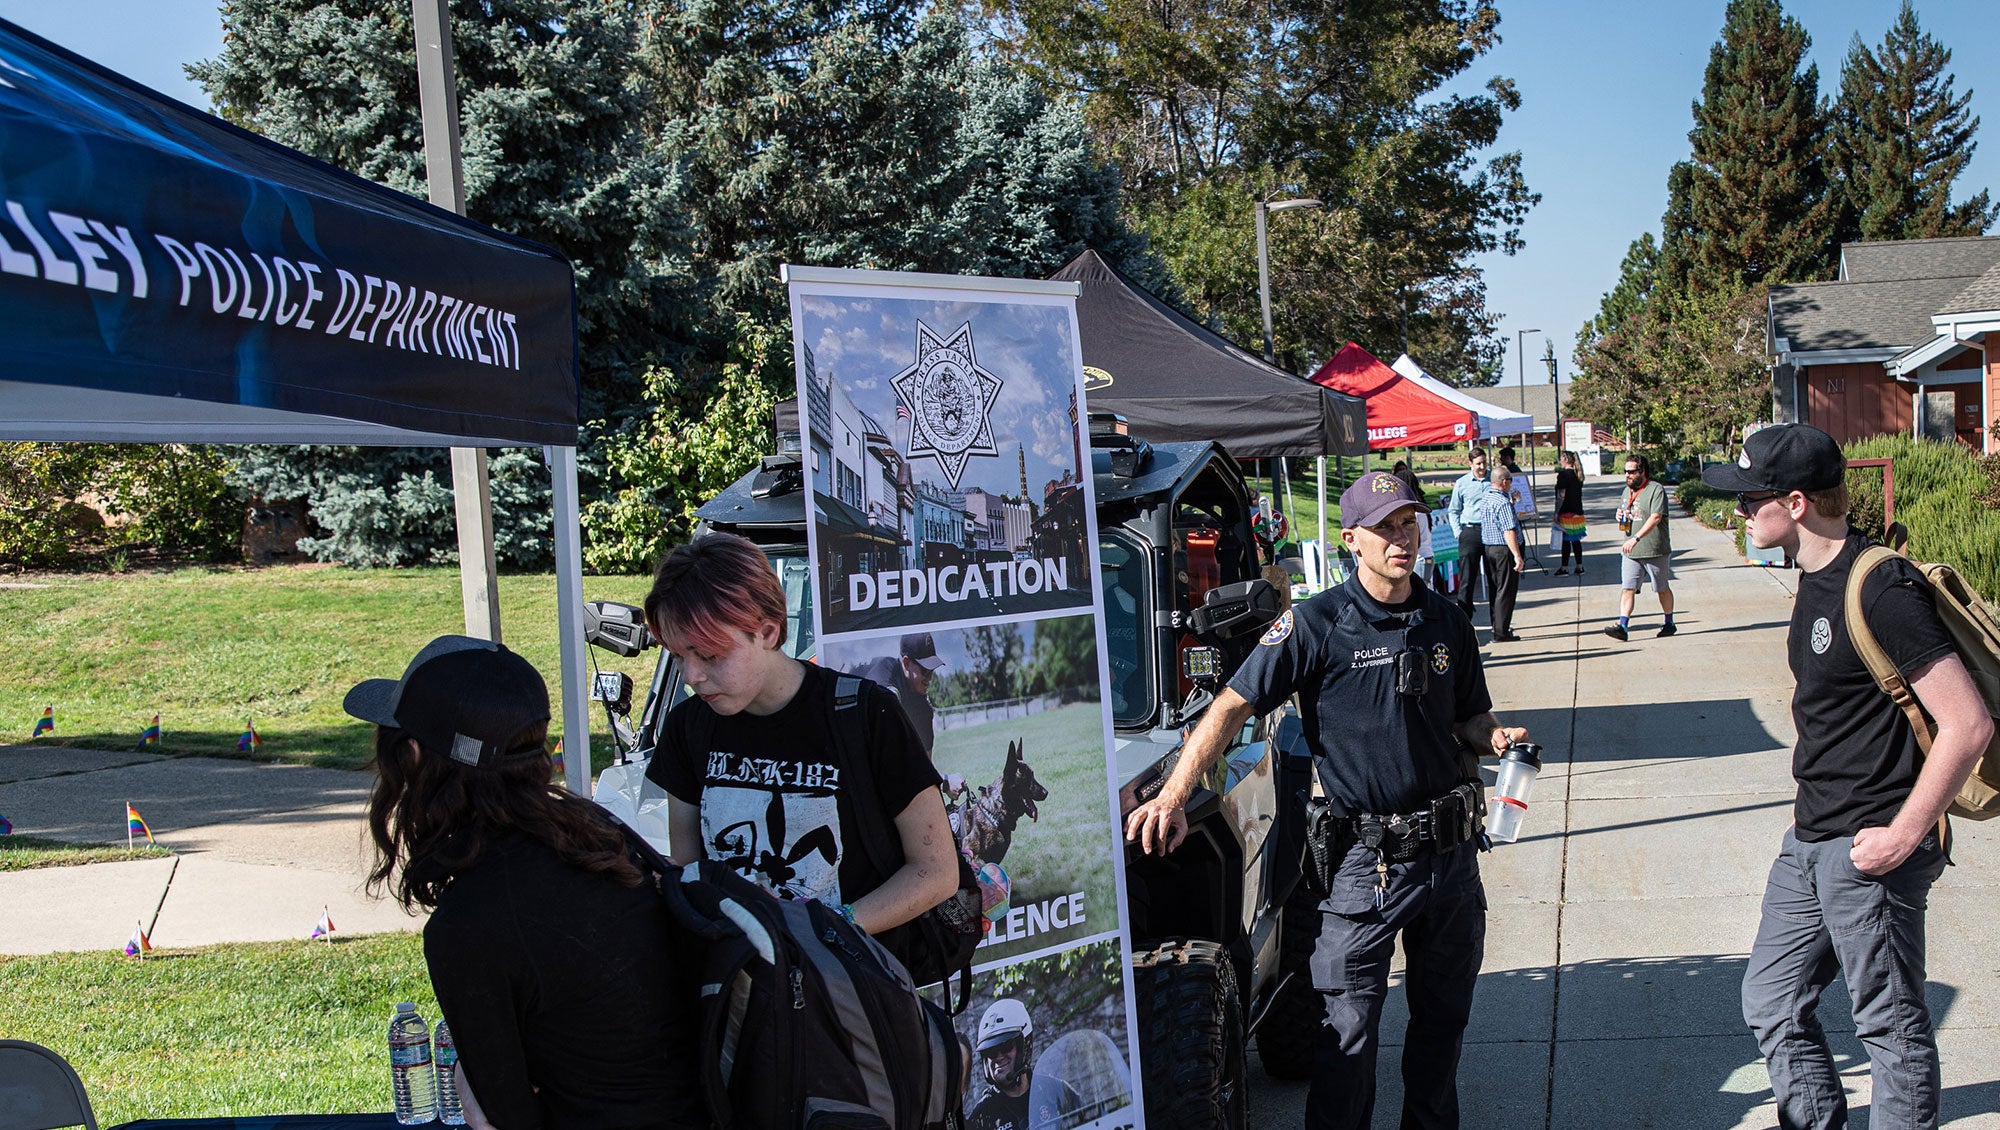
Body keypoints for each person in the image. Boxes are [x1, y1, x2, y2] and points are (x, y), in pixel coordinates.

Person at [1125, 470, 1527, 1130]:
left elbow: (1469, 720)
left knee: (1441, 1033)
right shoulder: (1315, 625)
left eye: (1408, 523)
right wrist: (1173, 793)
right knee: (1345, 1042)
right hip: (1364, 869)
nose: (1402, 538)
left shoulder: (1447, 620)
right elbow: (1229, 706)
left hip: (1449, 864)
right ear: (1351, 540)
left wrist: (1498, 734)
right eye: (1385, 527)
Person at [1703, 424, 1992, 1130]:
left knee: (1889, 1029)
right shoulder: (1811, 581)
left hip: (1872, 847)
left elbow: (1969, 723)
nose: (1739, 514)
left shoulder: (1880, 585)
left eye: (1750, 500)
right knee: (1771, 1000)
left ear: (1796, 503)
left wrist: (1902, 835)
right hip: (1810, 841)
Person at [349, 635, 706, 1130]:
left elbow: (498, 1115)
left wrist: (465, 1083)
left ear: (411, 755)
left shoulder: (472, 922)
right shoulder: (597, 836)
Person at [643, 532, 958, 936]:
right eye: (677, 655)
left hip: (848, 990)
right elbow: (688, 874)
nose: (692, 676)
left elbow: (936, 872)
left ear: (769, 632)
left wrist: (824, 932)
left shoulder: (866, 713)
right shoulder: (688, 726)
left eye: (710, 655)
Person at [967, 998, 1080, 1130]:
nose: (999, 1057)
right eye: (991, 1052)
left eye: (1005, 1046)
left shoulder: (1056, 1093)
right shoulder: (982, 1116)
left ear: (1024, 1047)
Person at [1605, 454, 1675, 641]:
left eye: (1631, 472)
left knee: (1661, 588)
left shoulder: (1655, 490)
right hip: (1631, 552)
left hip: (1654, 549)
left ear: (1642, 471)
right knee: (1627, 588)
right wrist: (1619, 515)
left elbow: (1656, 517)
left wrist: (1636, 537)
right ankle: (1622, 626)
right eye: (1625, 472)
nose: (1627, 475)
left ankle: (1669, 622)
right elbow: (1626, 512)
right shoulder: (1625, 492)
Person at [854, 632, 947, 755]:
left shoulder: (921, 704)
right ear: (906, 663)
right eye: (925, 670)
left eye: (932, 670)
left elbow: (927, 766)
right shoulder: (883, 676)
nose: (929, 678)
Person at [1476, 466, 1526, 643]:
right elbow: (1508, 531)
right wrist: (1517, 556)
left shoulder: (1487, 498)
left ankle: (1498, 626)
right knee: (1506, 590)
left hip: (1489, 548)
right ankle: (1501, 631)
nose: (1511, 484)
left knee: (1496, 589)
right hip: (1503, 550)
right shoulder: (1502, 503)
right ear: (1504, 482)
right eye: (1510, 480)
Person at [1445, 449, 1490, 617]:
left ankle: (1498, 623)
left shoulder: (1492, 479)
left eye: (1484, 462)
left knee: (1493, 578)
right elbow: (1453, 510)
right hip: (1470, 531)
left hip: (1490, 532)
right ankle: (1465, 619)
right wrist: (1458, 532)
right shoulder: (1462, 483)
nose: (1482, 467)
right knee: (1467, 579)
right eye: (1478, 463)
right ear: (1470, 464)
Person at [1552, 450, 1586, 576]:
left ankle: (1564, 567)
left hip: (1566, 512)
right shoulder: (1578, 475)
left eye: (1561, 458)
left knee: (1565, 541)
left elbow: (1561, 495)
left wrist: (1556, 512)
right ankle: (1579, 566)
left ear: (1566, 459)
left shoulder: (1563, 475)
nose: (1559, 461)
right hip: (1577, 512)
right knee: (1576, 540)